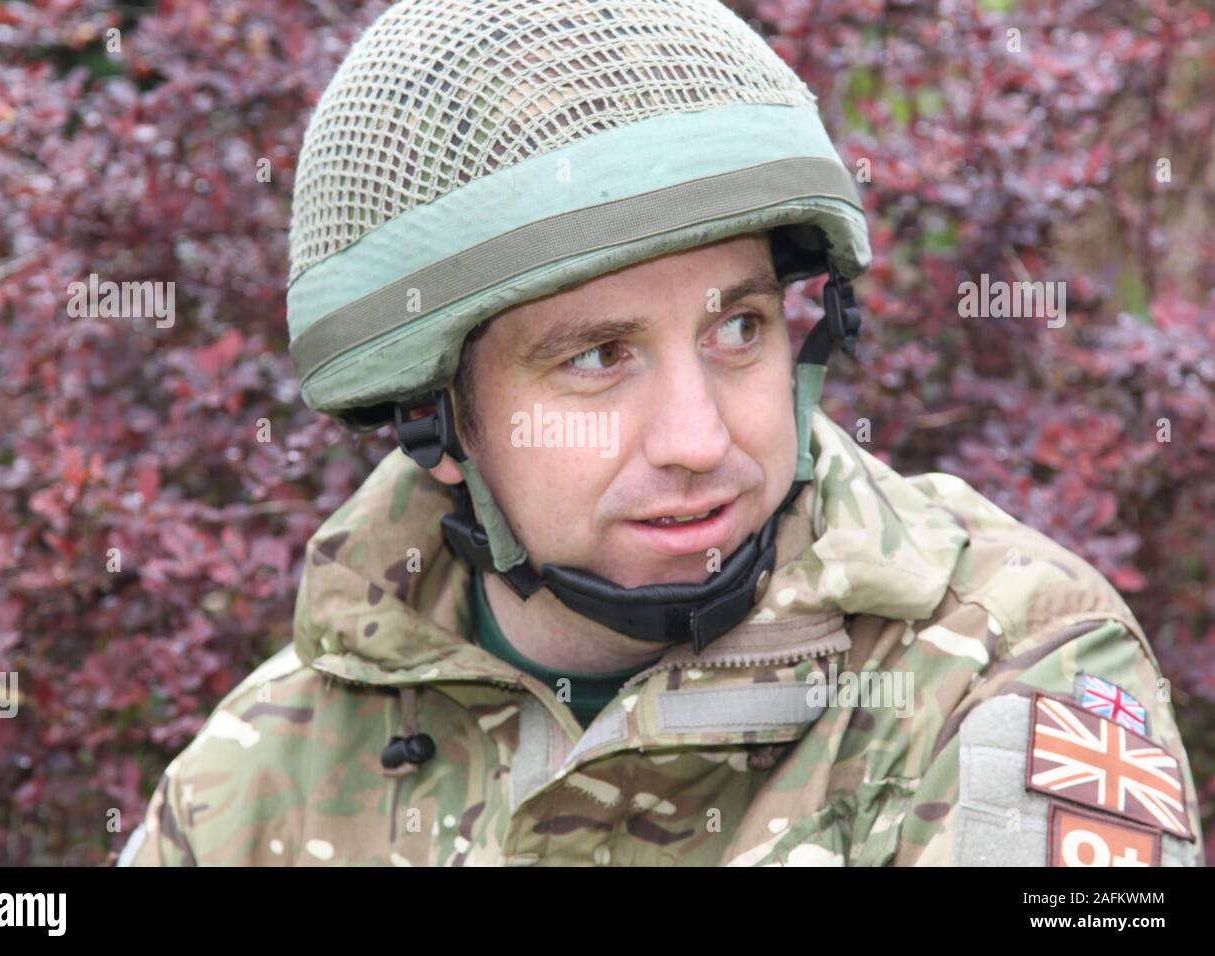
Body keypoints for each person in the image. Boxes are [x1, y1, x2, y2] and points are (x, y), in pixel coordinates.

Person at [121, 0, 1204, 866]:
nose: (698, 438)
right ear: (436, 418)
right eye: (598, 358)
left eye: (737, 328)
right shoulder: (265, 767)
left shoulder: (1005, 659)